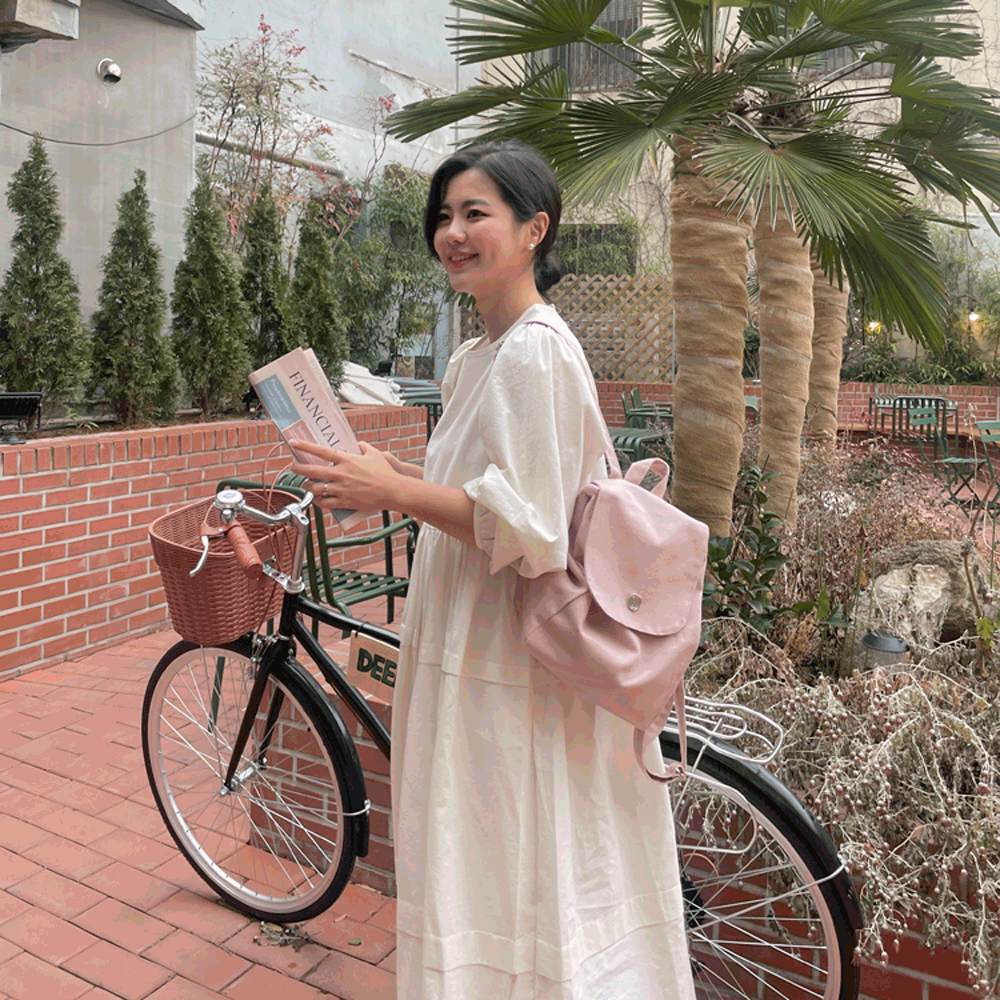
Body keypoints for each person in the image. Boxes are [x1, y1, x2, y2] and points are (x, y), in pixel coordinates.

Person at [289, 140, 695, 1000]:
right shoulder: (478, 353)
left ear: (534, 229)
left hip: (509, 646)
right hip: (469, 628)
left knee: (508, 832)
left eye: (477, 213)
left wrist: (395, 490)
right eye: (444, 216)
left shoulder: (534, 351)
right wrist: (389, 477)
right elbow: (481, 490)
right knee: (485, 834)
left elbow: (531, 529)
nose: (454, 233)